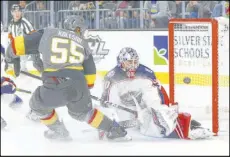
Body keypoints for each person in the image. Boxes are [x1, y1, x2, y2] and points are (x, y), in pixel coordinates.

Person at [4, 15, 131, 141]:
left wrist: (10, 59)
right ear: (78, 29)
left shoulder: (48, 33)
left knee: (36, 104)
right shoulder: (83, 44)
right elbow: (90, 79)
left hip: (55, 83)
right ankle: (113, 129)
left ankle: (60, 131)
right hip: (79, 84)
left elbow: (16, 44)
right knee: (83, 112)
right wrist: (81, 91)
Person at [100, 47, 213, 140]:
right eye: (129, 62)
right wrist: (107, 116)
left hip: (142, 101)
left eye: (135, 62)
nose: (133, 65)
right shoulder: (112, 76)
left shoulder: (146, 73)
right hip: (124, 104)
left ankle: (170, 122)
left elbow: (159, 91)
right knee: (122, 118)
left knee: (151, 100)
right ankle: (111, 126)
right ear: (121, 62)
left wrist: (164, 108)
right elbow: (106, 100)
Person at [7, 4, 43, 77]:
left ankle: (47, 76)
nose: (17, 13)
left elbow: (33, 36)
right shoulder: (11, 24)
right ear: (11, 12)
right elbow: (10, 36)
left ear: (21, 12)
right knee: (13, 57)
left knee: (36, 63)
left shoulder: (25, 22)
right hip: (20, 47)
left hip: (30, 46)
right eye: (15, 11)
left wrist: (35, 51)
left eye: (19, 11)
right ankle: (17, 75)